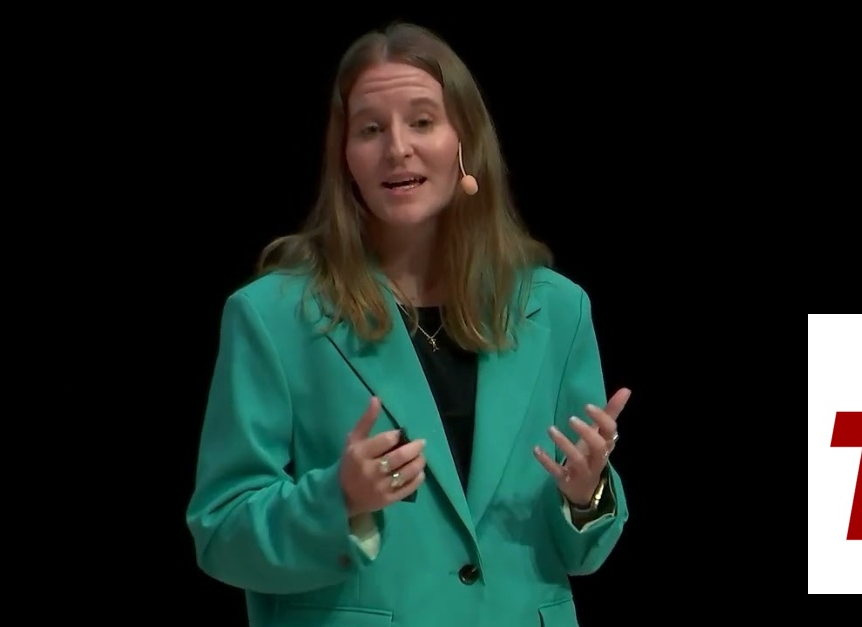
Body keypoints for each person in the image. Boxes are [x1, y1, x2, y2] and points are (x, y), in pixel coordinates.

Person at [185, 21, 630, 627]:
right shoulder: (273, 316)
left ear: (464, 139)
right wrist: (338, 499)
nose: (397, 148)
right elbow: (221, 534)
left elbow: (584, 554)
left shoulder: (556, 308)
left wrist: (586, 496)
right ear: (345, 156)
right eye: (370, 129)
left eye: (422, 122)